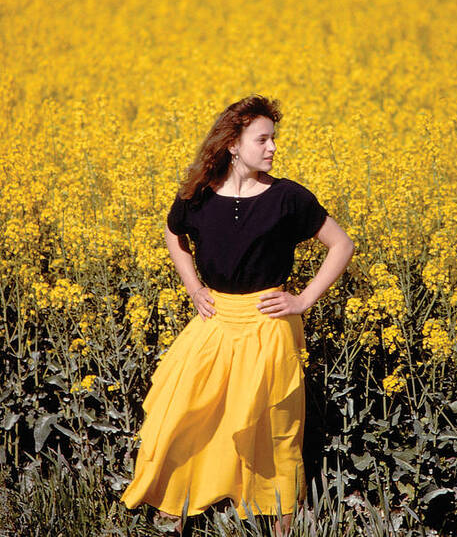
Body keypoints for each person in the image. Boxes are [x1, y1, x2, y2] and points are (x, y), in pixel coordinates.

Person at [120, 94, 355, 536]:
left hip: (268, 325)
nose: (271, 148)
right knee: (183, 411)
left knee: (273, 426)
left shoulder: (288, 197)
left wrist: (303, 300)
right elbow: (174, 234)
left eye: (273, 139)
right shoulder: (199, 196)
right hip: (215, 320)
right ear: (233, 144)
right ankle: (174, 503)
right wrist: (193, 287)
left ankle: (282, 520)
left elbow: (341, 245)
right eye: (262, 139)